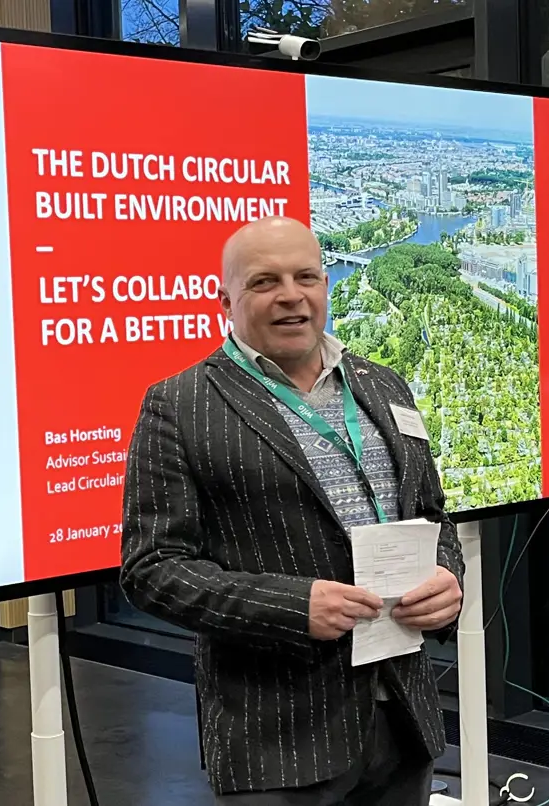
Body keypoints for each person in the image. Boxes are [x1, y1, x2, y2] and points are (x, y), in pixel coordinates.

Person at [120, 216, 465, 804]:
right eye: (264, 282)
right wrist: (293, 606)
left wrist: (448, 578)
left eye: (306, 277)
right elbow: (151, 569)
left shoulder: (384, 386)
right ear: (225, 300)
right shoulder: (179, 405)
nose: (291, 296)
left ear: (325, 285)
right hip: (278, 738)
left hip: (402, 717)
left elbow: (432, 515)